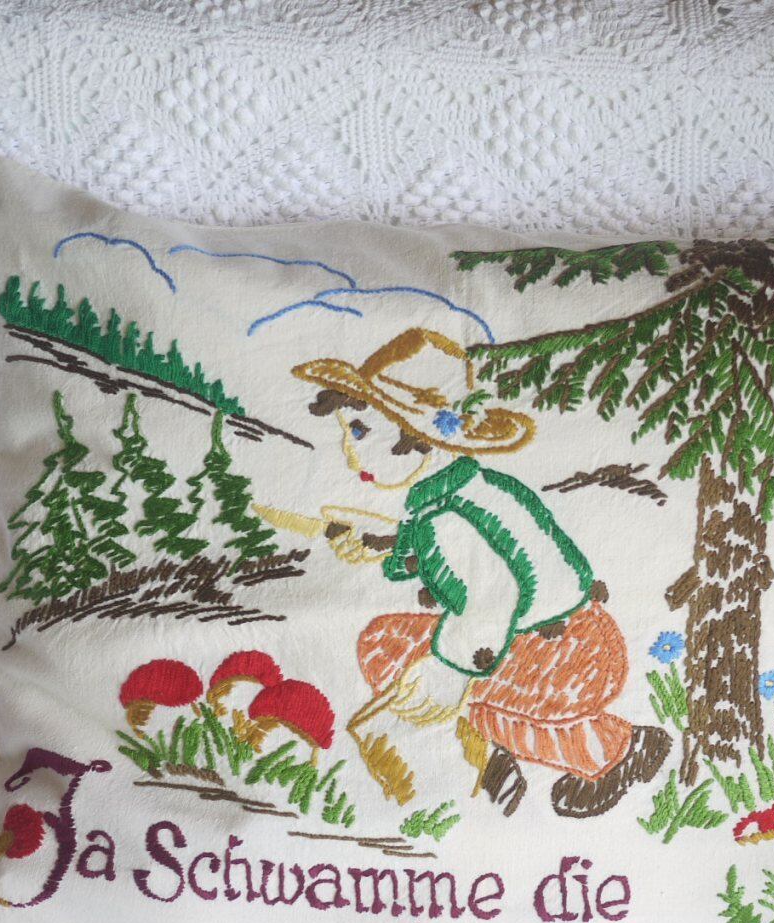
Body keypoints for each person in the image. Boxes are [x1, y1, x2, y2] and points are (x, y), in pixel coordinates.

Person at [283, 328, 670, 819]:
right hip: (582, 643)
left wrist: (444, 673)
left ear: (415, 437)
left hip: (555, 660)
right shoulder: (474, 487)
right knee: (426, 660)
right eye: (348, 431)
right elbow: (475, 557)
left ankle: (595, 755)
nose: (352, 453)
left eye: (360, 432)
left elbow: (492, 595)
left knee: (396, 653)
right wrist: (386, 545)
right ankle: (585, 750)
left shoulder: (444, 516)